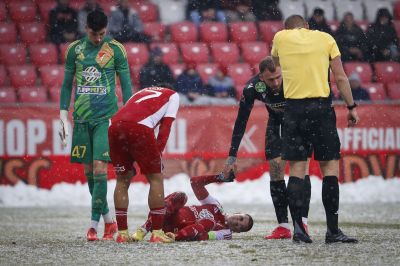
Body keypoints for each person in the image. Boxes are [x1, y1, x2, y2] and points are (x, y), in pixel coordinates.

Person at [271, 15, 359, 243]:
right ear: (307, 26)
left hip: (294, 110)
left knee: (298, 169)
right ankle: (332, 231)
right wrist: (351, 107)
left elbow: (275, 65)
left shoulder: (280, 37)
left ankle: (299, 230)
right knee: (329, 168)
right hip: (321, 108)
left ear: (287, 28)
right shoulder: (326, 38)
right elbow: (340, 77)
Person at [59, 10, 133, 241]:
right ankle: (109, 222)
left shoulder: (116, 50)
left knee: (101, 169)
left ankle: (93, 226)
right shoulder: (75, 50)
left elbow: (127, 85)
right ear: (86, 28)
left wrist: (130, 116)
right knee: (90, 174)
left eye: (102, 34)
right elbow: (65, 85)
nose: (98, 38)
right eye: (94, 34)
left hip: (106, 119)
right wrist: (63, 115)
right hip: (81, 119)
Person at [222, 57, 312, 240]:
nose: (276, 82)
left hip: (300, 123)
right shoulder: (253, 87)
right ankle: (283, 226)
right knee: (275, 170)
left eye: (279, 77)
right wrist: (232, 156)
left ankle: (302, 223)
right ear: (261, 77)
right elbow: (241, 121)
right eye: (271, 79)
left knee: (301, 171)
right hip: (276, 123)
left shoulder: (296, 78)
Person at [109, 85, 180, 243]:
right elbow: (165, 127)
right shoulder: (173, 95)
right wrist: (158, 153)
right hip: (139, 127)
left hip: (114, 126)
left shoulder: (142, 91)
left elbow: (129, 111)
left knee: (122, 179)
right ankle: (157, 233)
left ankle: (122, 233)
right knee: (155, 178)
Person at [130, 174, 253, 242]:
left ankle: (168, 236)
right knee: (181, 196)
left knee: (209, 223)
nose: (237, 223)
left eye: (240, 227)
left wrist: (180, 236)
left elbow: (203, 236)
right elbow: (195, 182)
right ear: (238, 212)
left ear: (237, 232)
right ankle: (144, 230)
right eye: (241, 219)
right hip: (167, 215)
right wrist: (220, 177)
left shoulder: (226, 233)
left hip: (174, 231)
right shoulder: (216, 206)